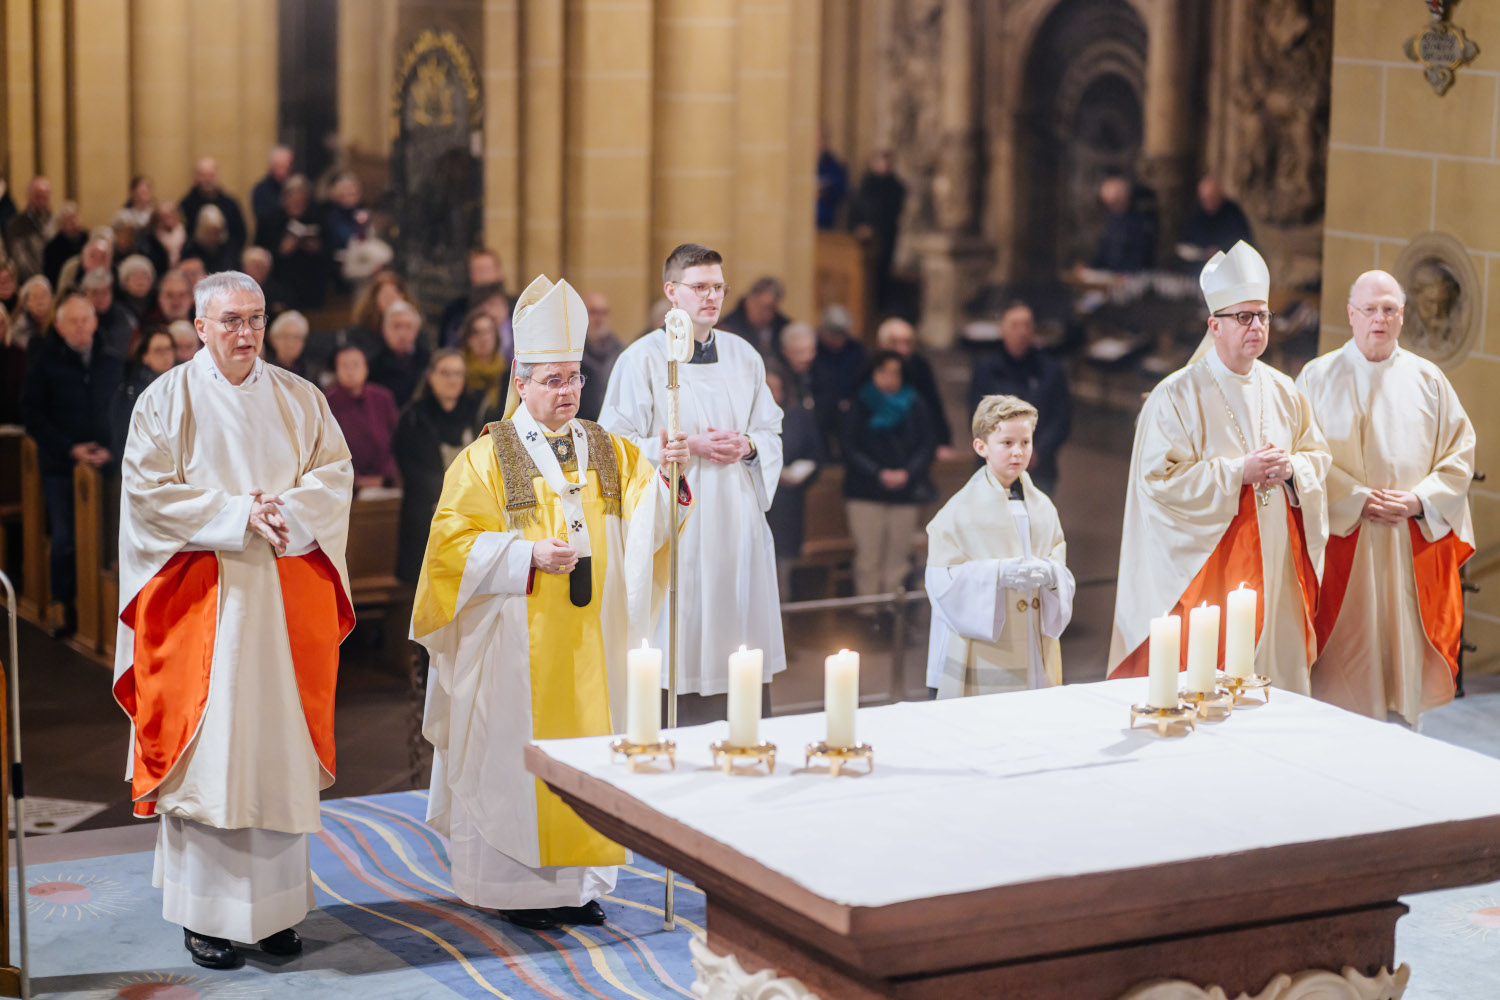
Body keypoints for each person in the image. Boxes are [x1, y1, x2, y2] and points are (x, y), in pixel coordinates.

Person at [414, 274, 690, 930]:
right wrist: (524, 556)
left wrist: (669, 477)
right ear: (520, 381)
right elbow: (449, 549)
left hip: (594, 642)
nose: (567, 392)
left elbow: (652, 517)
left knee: (592, 752)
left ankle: (577, 886)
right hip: (514, 645)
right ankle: (515, 890)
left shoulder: (609, 449)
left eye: (574, 379)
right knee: (515, 759)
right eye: (552, 380)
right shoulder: (485, 458)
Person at [112, 270, 354, 970]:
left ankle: (274, 913)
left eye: (255, 318)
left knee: (274, 752)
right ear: (201, 327)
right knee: (211, 758)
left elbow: (335, 474)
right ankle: (206, 917)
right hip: (201, 608)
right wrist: (235, 514)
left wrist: (285, 513)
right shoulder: (166, 400)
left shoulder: (301, 398)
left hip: (280, 606)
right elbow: (147, 495)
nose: (246, 333)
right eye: (231, 321)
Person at [1107, 241, 1330, 691]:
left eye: (1263, 316)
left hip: (1275, 559)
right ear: (1215, 325)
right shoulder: (1175, 395)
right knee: (1208, 682)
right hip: (1209, 568)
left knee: (1273, 686)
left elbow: (1317, 458)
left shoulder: (1284, 390)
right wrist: (1236, 473)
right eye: (1244, 317)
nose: (1257, 326)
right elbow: (1158, 482)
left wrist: (1291, 470)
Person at [599, 243, 785, 723]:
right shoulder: (641, 359)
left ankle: (741, 731)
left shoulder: (744, 356)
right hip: (677, 523)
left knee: (736, 630)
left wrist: (747, 445)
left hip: (736, 518)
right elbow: (612, 445)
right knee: (678, 633)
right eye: (699, 287)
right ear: (671, 291)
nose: (712, 297)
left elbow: (770, 429)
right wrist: (674, 449)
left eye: (718, 287)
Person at [1296, 270, 1475, 724]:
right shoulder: (1317, 378)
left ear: (1402, 316)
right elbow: (1300, 457)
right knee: (1340, 684)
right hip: (1343, 544)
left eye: (1389, 309)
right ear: (1351, 315)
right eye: (1370, 309)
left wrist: (1419, 501)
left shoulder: (1428, 380)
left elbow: (1459, 456)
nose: (1379, 318)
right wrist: (1353, 497)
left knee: (1401, 671)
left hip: (1405, 544)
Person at [926, 395, 1073, 697]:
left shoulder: (1043, 506)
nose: (1018, 452)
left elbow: (1058, 559)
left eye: (1025, 442)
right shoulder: (958, 512)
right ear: (981, 447)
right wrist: (998, 574)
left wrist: (1050, 574)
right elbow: (940, 582)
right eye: (1007, 443)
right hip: (986, 649)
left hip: (1034, 641)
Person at [20, 292, 122, 636]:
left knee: (112, 537)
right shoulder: (45, 363)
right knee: (65, 539)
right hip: (61, 466)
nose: (80, 327)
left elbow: (124, 412)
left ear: (95, 323)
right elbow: (32, 415)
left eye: (85, 320)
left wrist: (112, 450)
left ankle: (109, 612)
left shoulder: (111, 361)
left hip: (108, 464)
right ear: (60, 327)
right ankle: (62, 605)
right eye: (73, 322)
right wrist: (70, 449)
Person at [839, 351, 937, 601]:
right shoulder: (859, 402)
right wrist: (877, 472)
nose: (890, 378)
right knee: (868, 557)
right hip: (865, 491)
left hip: (905, 492)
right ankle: (867, 610)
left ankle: (891, 611)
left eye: (896, 373)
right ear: (872, 373)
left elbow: (927, 444)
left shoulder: (915, 403)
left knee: (898, 558)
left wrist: (908, 472)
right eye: (883, 372)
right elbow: (848, 446)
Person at [392, 349, 482, 583]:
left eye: (458, 374)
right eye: (445, 373)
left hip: (471, 513)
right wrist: (450, 491)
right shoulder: (412, 418)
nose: (452, 380)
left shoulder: (476, 414)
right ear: (431, 376)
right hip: (427, 515)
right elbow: (411, 471)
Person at [968, 302, 1073, 493]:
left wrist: (1036, 452)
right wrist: (1005, 451)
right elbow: (977, 417)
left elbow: (1061, 418)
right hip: (995, 469)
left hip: (1038, 469)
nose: (1022, 332)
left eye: (1027, 325)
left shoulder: (1051, 370)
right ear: (1002, 330)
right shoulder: (986, 368)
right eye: (1015, 325)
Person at [764, 327, 825, 600]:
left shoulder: (797, 416)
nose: (771, 394)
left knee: (781, 576)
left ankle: (783, 620)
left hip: (786, 505)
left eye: (775, 388)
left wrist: (798, 474)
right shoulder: (740, 419)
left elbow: (816, 453)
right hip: (755, 504)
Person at [875, 317, 954, 460]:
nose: (902, 349)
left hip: (915, 442)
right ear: (882, 344)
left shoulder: (919, 365)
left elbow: (934, 406)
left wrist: (943, 442)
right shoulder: (871, 367)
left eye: (907, 343)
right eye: (895, 342)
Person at [324, 343, 399, 488]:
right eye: (345, 366)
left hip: (386, 481)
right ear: (336, 370)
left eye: (356, 365)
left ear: (366, 368)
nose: (351, 371)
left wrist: (388, 475)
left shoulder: (383, 398)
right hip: (344, 485)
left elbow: (397, 440)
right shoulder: (326, 402)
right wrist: (355, 480)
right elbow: (328, 451)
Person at [849, 152, 907, 309]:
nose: (881, 165)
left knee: (880, 275)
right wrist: (858, 226)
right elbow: (856, 208)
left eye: (884, 162)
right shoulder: (866, 184)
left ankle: (876, 307)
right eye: (878, 162)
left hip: (883, 238)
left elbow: (890, 214)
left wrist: (874, 229)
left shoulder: (895, 187)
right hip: (860, 238)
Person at [109, 326, 177, 460]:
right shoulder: (130, 393)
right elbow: (123, 437)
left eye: (169, 349)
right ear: (145, 356)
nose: (165, 355)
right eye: (158, 350)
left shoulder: (183, 384)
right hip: (146, 461)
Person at [178, 157, 248, 258]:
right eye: (203, 175)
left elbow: (240, 235)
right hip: (196, 258)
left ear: (217, 176)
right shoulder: (185, 206)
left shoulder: (230, 204)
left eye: (211, 175)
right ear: (196, 177)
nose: (207, 179)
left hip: (226, 258)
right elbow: (184, 238)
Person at [1177, 176, 1254, 264]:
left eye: (1211, 198)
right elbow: (1188, 240)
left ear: (1219, 195)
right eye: (1204, 199)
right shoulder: (1198, 213)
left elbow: (1242, 243)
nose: (1207, 202)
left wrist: (1220, 250)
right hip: (1199, 264)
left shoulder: (1232, 213)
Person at [369, 300, 430, 406]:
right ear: (385, 330)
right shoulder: (372, 364)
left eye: (408, 326)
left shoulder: (428, 362)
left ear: (416, 331)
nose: (402, 334)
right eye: (396, 326)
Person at [1090, 176, 1156, 274]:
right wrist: (1091, 269)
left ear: (1125, 197)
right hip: (1109, 275)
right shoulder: (1112, 220)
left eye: (1114, 202)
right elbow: (1103, 253)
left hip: (1130, 275)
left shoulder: (1139, 222)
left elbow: (1140, 257)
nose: (1111, 206)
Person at [719, 277, 790, 360]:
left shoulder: (783, 329)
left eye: (771, 309)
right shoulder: (726, 328)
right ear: (748, 301)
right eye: (761, 307)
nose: (766, 314)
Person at [577, 291, 623, 422]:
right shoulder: (571, 353)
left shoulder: (620, 352)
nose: (599, 319)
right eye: (593, 312)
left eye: (604, 313)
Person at [458, 308, 507, 412]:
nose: (484, 338)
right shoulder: (457, 372)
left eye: (488, 331)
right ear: (467, 338)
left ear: (496, 336)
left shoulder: (507, 373)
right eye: (476, 332)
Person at [83, 267, 137, 359]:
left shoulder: (125, 316)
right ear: (85, 294)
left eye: (105, 293)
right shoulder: (79, 316)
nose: (100, 298)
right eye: (95, 293)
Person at [5, 176, 52, 281]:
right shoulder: (15, 225)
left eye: (45, 197)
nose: (41, 200)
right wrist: (38, 281)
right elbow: (20, 260)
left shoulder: (54, 223)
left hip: (51, 282)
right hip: (28, 282)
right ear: (29, 196)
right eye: (38, 196)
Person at [42, 201, 86, 286]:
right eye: (69, 220)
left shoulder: (87, 240)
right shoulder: (52, 248)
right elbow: (51, 277)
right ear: (61, 225)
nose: (74, 222)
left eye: (75, 218)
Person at [265, 310, 313, 381]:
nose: (290, 343)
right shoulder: (263, 370)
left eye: (296, 337)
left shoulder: (312, 372)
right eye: (285, 336)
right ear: (273, 339)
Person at [251, 145, 294, 221]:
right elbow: (263, 217)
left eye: (286, 167)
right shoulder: (261, 190)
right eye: (280, 167)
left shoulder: (295, 188)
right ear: (271, 167)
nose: (283, 172)